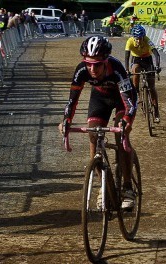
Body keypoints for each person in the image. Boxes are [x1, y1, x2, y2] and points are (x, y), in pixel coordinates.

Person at [59, 36, 138, 209]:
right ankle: (103, 188)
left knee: (121, 134)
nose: (92, 69)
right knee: (93, 135)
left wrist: (126, 121)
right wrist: (66, 120)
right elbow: (72, 100)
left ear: (105, 61)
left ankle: (127, 188)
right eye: (89, 64)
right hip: (100, 98)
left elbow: (129, 103)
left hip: (122, 100)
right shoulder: (81, 70)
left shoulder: (116, 69)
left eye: (97, 64)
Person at [125, 25, 161, 123]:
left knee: (152, 87)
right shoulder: (130, 41)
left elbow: (156, 54)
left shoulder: (147, 40)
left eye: (140, 38)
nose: (139, 40)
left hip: (147, 60)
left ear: (143, 37)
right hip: (136, 59)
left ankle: (156, 112)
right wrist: (127, 69)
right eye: (137, 38)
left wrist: (157, 66)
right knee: (135, 69)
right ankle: (136, 91)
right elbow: (127, 56)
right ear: (134, 37)